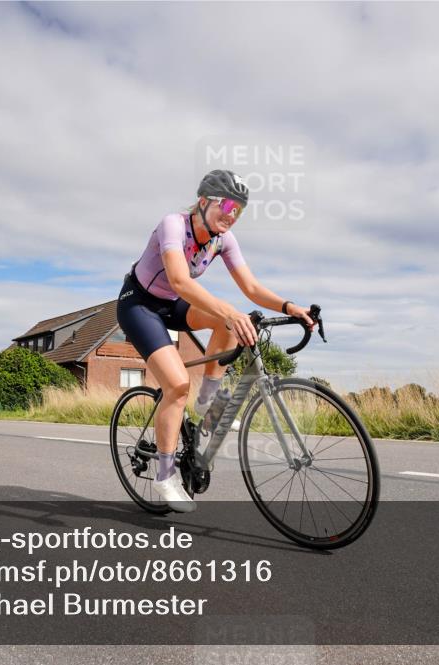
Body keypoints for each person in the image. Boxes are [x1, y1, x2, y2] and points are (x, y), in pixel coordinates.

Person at [116, 169, 314, 512]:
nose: (231, 215)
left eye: (239, 211)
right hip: (139, 304)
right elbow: (179, 279)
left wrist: (289, 306)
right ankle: (165, 476)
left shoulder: (223, 239)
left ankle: (207, 403)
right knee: (177, 385)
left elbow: (250, 288)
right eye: (226, 206)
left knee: (229, 324)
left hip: (174, 304)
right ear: (204, 201)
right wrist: (229, 313)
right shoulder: (174, 224)